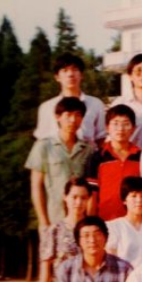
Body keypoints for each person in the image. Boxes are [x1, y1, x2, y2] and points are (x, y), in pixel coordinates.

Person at [26, 97, 94, 232]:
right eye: (68, 115)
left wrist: (90, 220)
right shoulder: (43, 146)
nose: (73, 120)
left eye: (78, 115)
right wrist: (43, 221)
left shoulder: (88, 149)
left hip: (81, 223)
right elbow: (36, 186)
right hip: (53, 219)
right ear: (58, 117)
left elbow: (92, 189)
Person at [35, 52, 106, 144]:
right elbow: (42, 140)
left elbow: (101, 138)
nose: (70, 74)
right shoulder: (46, 107)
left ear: (81, 75)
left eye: (75, 70)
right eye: (65, 70)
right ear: (57, 77)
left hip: (88, 152)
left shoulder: (96, 104)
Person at [86, 104, 142, 220]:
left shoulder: (141, 157)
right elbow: (92, 194)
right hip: (105, 220)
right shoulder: (97, 158)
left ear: (133, 129)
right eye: (115, 123)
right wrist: (91, 221)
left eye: (126, 124)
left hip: (134, 220)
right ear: (107, 128)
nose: (120, 129)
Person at [105, 176, 142, 268]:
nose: (139, 200)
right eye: (134, 196)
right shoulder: (113, 227)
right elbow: (111, 261)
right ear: (124, 200)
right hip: (123, 274)